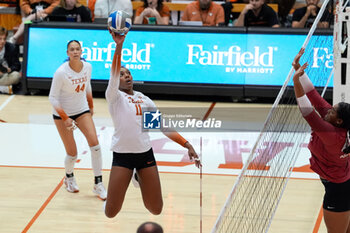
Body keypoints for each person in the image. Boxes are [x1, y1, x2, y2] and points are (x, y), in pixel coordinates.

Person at [104, 31, 201, 218]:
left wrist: (186, 144)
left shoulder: (144, 99)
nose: (126, 76)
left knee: (156, 209)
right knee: (111, 212)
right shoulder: (115, 97)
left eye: (129, 73)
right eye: (122, 74)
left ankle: (137, 175)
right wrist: (119, 45)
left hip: (144, 154)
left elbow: (162, 126)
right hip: (122, 156)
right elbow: (114, 71)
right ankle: (132, 174)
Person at [292, 48, 350, 233]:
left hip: (338, 191)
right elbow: (313, 94)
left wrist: (296, 81)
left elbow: (307, 111)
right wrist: (299, 71)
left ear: (338, 121)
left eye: (332, 111)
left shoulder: (331, 133)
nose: (328, 110)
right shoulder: (337, 123)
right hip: (342, 182)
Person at [48, 40, 107, 200]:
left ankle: (98, 184)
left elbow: (87, 86)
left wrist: (91, 105)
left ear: (81, 51)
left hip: (81, 110)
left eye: (77, 49)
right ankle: (69, 177)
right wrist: (65, 118)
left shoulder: (88, 67)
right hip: (62, 114)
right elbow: (52, 98)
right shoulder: (61, 72)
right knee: (72, 153)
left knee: (95, 145)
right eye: (72, 50)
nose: (75, 52)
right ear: (67, 53)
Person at [0, 27, 21, 95]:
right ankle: (3, 88)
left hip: (6, 75)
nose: (2, 41)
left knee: (16, 76)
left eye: (4, 39)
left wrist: (10, 69)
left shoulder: (11, 47)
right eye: (0, 39)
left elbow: (17, 65)